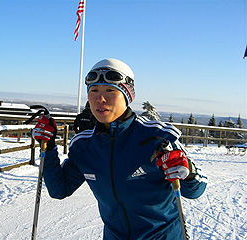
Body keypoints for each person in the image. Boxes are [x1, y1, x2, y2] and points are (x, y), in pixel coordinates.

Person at [33, 58, 207, 240]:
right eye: (93, 91)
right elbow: (59, 189)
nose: (100, 99)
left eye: (110, 91)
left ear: (127, 96)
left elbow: (196, 189)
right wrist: (49, 146)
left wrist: (187, 171)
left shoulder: (157, 136)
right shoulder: (83, 146)